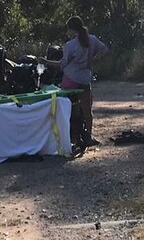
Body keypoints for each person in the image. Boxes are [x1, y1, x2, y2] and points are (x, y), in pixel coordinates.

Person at [41, 16, 108, 147]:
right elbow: (105, 50)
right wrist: (93, 59)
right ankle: (88, 135)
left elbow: (62, 65)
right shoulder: (92, 40)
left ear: (71, 30)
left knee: (71, 108)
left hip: (70, 80)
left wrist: (46, 61)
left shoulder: (70, 45)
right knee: (87, 109)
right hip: (84, 78)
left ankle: (73, 136)